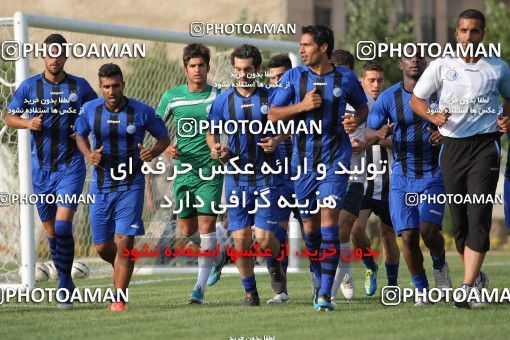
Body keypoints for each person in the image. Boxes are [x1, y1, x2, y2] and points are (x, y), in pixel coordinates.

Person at [410, 9, 510, 308]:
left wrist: (506, 118)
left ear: (483, 34)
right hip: (452, 149)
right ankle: (477, 278)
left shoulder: (499, 68)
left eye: (475, 31)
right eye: (464, 31)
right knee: (460, 224)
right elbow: (417, 98)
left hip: (484, 147)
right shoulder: (441, 66)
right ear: (457, 33)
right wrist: (432, 115)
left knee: (479, 215)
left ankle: (466, 288)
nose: (469, 37)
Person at [269, 25, 368, 311]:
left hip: (335, 158)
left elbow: (362, 108)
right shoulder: (293, 77)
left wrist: (355, 121)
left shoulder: (346, 78)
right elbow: (274, 115)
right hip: (302, 163)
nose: (301, 50)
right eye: (300, 45)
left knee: (329, 226)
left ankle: (325, 294)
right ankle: (317, 275)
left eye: (307, 45)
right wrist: (300, 106)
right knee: (310, 229)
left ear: (323, 48)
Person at [5, 33, 97, 309]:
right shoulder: (29, 87)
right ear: (43, 56)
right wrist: (27, 124)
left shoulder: (80, 87)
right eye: (50, 54)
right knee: (51, 232)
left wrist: (82, 130)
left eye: (59, 54)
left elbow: (97, 113)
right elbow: (8, 117)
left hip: (70, 166)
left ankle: (65, 282)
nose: (54, 59)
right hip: (40, 169)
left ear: (66, 56)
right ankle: (64, 276)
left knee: (62, 224)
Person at [75, 63, 170, 311]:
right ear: (100, 87)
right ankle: (123, 261)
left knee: (124, 241)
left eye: (115, 85)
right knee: (102, 246)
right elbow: (79, 135)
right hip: (100, 187)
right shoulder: (89, 110)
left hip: (131, 185)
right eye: (106, 86)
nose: (111, 90)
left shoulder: (142, 112)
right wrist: (88, 155)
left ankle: (118, 299)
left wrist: (153, 151)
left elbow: (163, 137)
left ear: (123, 85)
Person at [366, 51, 451, 306]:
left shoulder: (441, 92)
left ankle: (440, 265)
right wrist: (379, 133)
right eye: (408, 58)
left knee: (428, 230)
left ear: (425, 64)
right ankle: (422, 290)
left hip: (433, 172)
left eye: (419, 58)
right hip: (402, 176)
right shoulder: (389, 97)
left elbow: (461, 123)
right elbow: (370, 129)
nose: (414, 61)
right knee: (409, 236)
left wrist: (446, 134)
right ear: (400, 64)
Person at [206, 44, 287, 306]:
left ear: (258, 70)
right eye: (238, 69)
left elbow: (294, 126)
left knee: (263, 240)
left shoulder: (272, 98)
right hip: (235, 179)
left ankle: (274, 268)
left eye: (248, 69)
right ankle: (250, 294)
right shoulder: (223, 101)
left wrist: (276, 139)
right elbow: (211, 132)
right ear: (233, 69)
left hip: (266, 176)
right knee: (241, 240)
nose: (243, 74)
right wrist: (216, 148)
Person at [156, 43, 226, 304]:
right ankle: (217, 256)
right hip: (184, 171)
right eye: (192, 66)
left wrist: (222, 149)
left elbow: (235, 124)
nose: (197, 70)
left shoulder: (219, 95)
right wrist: (166, 148)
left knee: (207, 226)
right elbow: (156, 126)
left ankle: (198, 289)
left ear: (208, 67)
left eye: (201, 65)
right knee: (187, 230)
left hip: (210, 169)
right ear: (185, 69)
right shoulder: (172, 96)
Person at [350, 61, 400, 297]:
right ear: (362, 81)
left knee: (388, 235)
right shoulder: (356, 108)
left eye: (380, 80)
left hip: (389, 181)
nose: (376, 84)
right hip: (362, 180)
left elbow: (398, 142)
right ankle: (370, 266)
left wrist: (376, 139)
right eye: (371, 80)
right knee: (355, 229)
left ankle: (392, 283)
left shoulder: (391, 106)